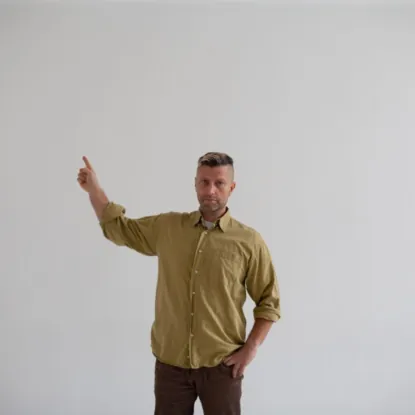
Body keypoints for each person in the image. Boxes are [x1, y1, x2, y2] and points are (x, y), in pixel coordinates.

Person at [77, 152, 281, 415]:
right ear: (195, 184)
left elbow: (269, 301)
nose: (210, 190)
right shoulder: (168, 227)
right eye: (204, 182)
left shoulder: (249, 241)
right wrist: (95, 190)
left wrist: (251, 348)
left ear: (231, 187)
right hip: (170, 367)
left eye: (219, 183)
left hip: (222, 366)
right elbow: (120, 229)